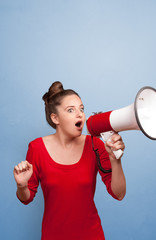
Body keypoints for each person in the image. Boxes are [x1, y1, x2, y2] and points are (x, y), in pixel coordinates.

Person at [13, 81, 126, 240]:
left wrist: (116, 160)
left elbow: (119, 194)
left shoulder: (95, 145)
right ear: (55, 118)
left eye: (82, 109)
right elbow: (26, 198)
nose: (80, 114)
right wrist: (22, 185)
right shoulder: (36, 148)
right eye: (71, 110)